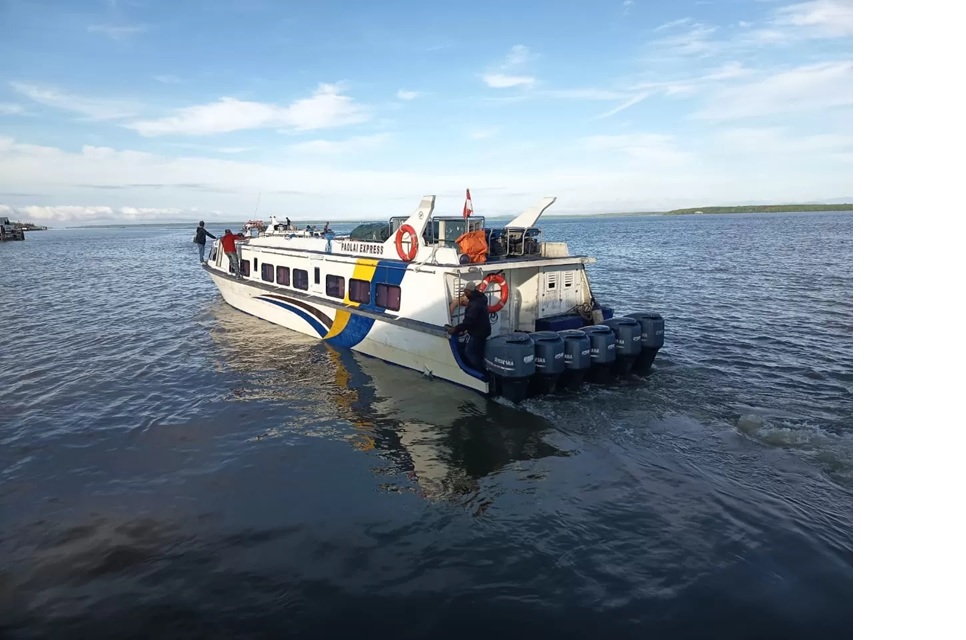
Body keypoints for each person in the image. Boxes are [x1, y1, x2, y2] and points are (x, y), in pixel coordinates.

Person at [447, 282, 491, 371]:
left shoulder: (474, 304)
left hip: (478, 333)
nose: (465, 294)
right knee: (479, 351)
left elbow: (469, 321)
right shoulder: (481, 298)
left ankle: (479, 371)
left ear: (469, 291)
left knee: (469, 352)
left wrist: (456, 329)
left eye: (465, 292)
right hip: (485, 330)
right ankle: (483, 368)